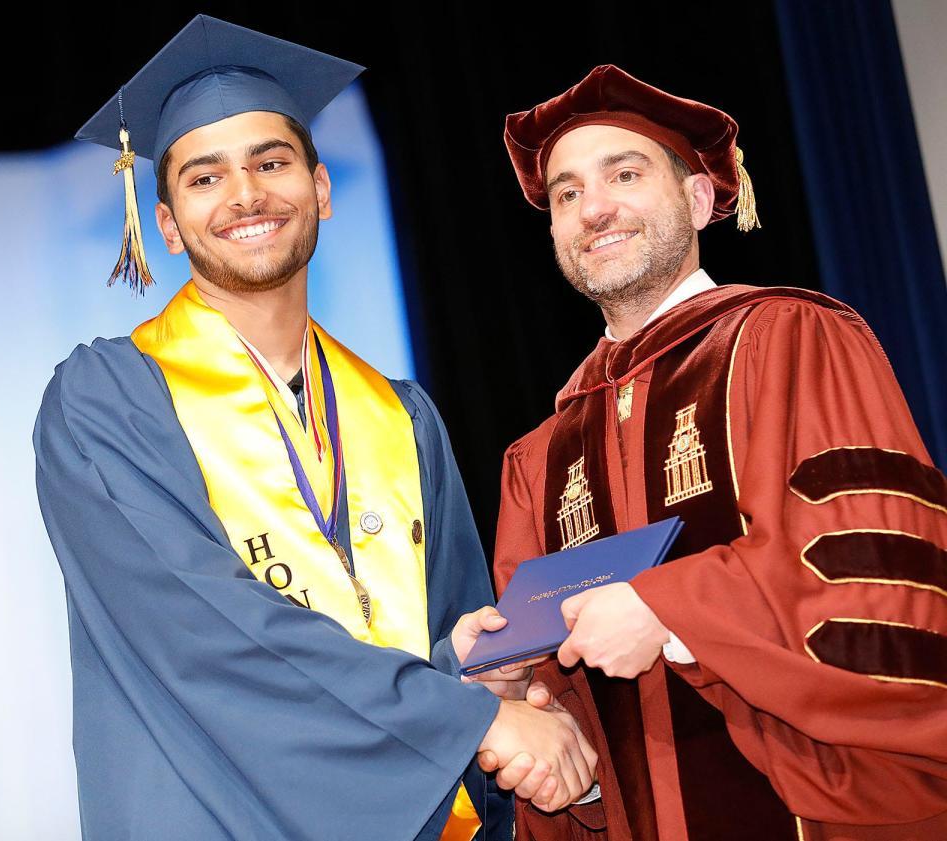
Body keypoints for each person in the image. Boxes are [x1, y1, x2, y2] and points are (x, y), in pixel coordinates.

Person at [33, 16, 596, 841]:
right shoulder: (105, 399)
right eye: (204, 177)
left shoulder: (402, 416)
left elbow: (440, 642)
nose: (245, 195)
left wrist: (479, 678)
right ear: (165, 223)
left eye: (270, 162)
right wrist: (461, 721)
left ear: (321, 191)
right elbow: (203, 632)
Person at [491, 64, 947, 841]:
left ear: (700, 199)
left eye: (624, 174)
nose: (593, 208)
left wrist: (668, 611)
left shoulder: (793, 339)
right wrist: (512, 679)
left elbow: (873, 587)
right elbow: (567, 733)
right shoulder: (541, 454)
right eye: (566, 194)